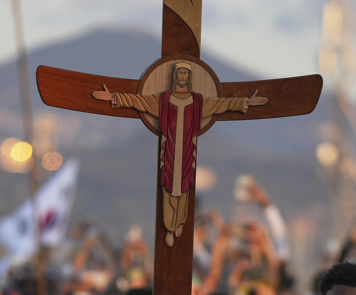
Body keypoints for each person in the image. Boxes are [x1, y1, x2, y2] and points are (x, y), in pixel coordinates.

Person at [91, 62, 266, 246]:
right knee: (168, 187)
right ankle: (169, 226)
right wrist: (114, 97)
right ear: (174, 76)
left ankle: (179, 223)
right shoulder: (163, 100)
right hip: (169, 152)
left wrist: (244, 102)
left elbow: (222, 104)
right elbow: (139, 101)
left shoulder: (198, 102)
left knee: (183, 188)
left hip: (187, 154)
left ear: (189, 78)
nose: (182, 76)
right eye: (179, 73)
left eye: (185, 73)